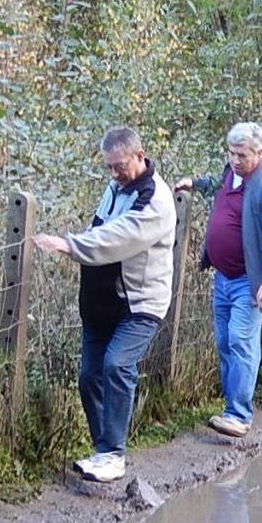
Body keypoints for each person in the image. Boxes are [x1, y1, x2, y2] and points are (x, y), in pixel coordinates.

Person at [33, 127, 177, 483]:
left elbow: (119, 237)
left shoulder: (155, 201)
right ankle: (103, 450)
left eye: (120, 166)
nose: (114, 174)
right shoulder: (116, 187)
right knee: (89, 377)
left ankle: (113, 453)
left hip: (141, 301)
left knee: (117, 365)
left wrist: (69, 245)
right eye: (109, 167)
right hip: (102, 303)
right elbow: (100, 225)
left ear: (140, 156)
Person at [174, 123, 262, 439]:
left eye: (242, 155)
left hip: (249, 281)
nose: (235, 160)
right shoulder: (232, 173)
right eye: (231, 153)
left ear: (259, 153)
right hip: (222, 277)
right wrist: (195, 183)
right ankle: (231, 405)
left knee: (241, 340)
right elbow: (219, 184)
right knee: (225, 342)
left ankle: (239, 414)